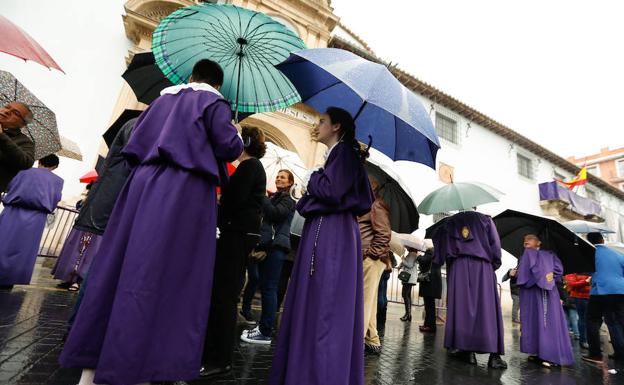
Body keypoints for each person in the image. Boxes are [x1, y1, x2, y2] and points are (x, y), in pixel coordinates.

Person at [59, 59, 243, 385]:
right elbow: (229, 148)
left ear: (191, 76)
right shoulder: (214, 102)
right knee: (169, 273)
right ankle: (143, 364)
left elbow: (134, 145)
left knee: (121, 265)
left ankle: (92, 366)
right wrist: (235, 132)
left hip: (142, 185)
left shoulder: (161, 100)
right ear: (217, 83)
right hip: (185, 189)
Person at [269, 107, 374, 385]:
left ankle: (317, 373)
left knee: (324, 302)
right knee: (321, 301)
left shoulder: (343, 153)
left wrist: (312, 178)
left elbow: (330, 191)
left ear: (336, 126)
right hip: (331, 229)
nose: (318, 125)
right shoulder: (339, 155)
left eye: (323, 121)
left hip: (331, 232)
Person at [201, 126, 267, 377]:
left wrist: (221, 197)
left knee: (224, 296)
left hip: (236, 235)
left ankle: (220, 358)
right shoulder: (251, 168)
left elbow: (235, 199)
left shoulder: (250, 167)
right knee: (224, 294)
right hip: (238, 234)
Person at [62, 117, 137, 333]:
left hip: (118, 208)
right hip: (117, 210)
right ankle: (79, 330)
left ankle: (81, 328)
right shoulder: (140, 124)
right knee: (103, 267)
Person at [432, 210, 507, 369]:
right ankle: (494, 356)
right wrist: (492, 264)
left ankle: (467, 351)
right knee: (487, 310)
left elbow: (440, 247)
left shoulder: (450, 222)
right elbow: (495, 247)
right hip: (482, 266)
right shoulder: (486, 220)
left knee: (462, 309)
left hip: (459, 267)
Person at [241, 169, 296, 345]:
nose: (279, 179)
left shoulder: (287, 200)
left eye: (283, 178)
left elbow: (274, 214)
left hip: (277, 248)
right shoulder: (275, 198)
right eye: (278, 177)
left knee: (269, 289)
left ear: (289, 183)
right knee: (266, 288)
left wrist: (264, 197)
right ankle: (263, 328)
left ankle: (265, 332)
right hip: (270, 247)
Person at [0, 154, 63, 290]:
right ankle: (11, 278)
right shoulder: (58, 181)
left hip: (13, 211)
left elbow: (10, 187)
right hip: (37, 217)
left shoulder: (23, 172)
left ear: (40, 160)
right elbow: (55, 199)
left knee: (4, 242)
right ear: (55, 166)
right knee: (24, 249)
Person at [516, 234, 574, 367]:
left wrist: (541, 275)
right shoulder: (546, 256)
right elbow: (557, 271)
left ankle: (549, 355)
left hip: (541, 293)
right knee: (536, 321)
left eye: (529, 242)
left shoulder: (541, 255)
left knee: (545, 322)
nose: (526, 245)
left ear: (538, 243)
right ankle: (538, 352)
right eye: (524, 243)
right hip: (540, 292)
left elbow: (528, 276)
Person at [357, 176, 391, 355]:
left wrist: (369, 254)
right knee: (368, 301)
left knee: (363, 301)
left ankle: (356, 342)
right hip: (369, 259)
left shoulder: (376, 205)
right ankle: (372, 339)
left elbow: (384, 235)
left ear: (373, 188)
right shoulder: (366, 205)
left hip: (370, 259)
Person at [582, 232, 624, 365]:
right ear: (603, 240)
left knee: (592, 320)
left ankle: (595, 355)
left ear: (589, 242)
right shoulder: (617, 254)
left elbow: (585, 272)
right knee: (615, 321)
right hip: (619, 290)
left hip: (600, 291)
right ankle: (620, 353)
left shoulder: (590, 254)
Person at [0, 101, 35, 192]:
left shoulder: (24, 142)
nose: (7, 111)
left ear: (22, 124)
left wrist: (1, 136)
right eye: (6, 107)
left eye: (15, 113)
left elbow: (26, 162)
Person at [418, 243, 442, 333]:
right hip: (433, 283)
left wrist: (418, 256)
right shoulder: (437, 252)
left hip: (429, 283)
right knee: (429, 305)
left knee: (429, 306)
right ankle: (427, 324)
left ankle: (430, 326)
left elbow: (424, 261)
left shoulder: (430, 252)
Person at [565, 272, 591, 349]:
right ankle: (583, 340)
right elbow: (571, 284)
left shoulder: (590, 269)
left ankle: (590, 341)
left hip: (592, 296)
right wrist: (586, 282)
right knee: (582, 319)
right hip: (579, 297)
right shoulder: (572, 271)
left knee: (591, 321)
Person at [398, 247, 419, 322]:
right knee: (407, 295)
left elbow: (409, 265)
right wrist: (400, 265)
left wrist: (403, 259)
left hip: (409, 278)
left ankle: (408, 315)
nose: (406, 247)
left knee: (405, 295)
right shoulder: (412, 254)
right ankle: (408, 315)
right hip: (409, 278)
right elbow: (407, 263)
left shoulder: (412, 254)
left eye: (407, 246)